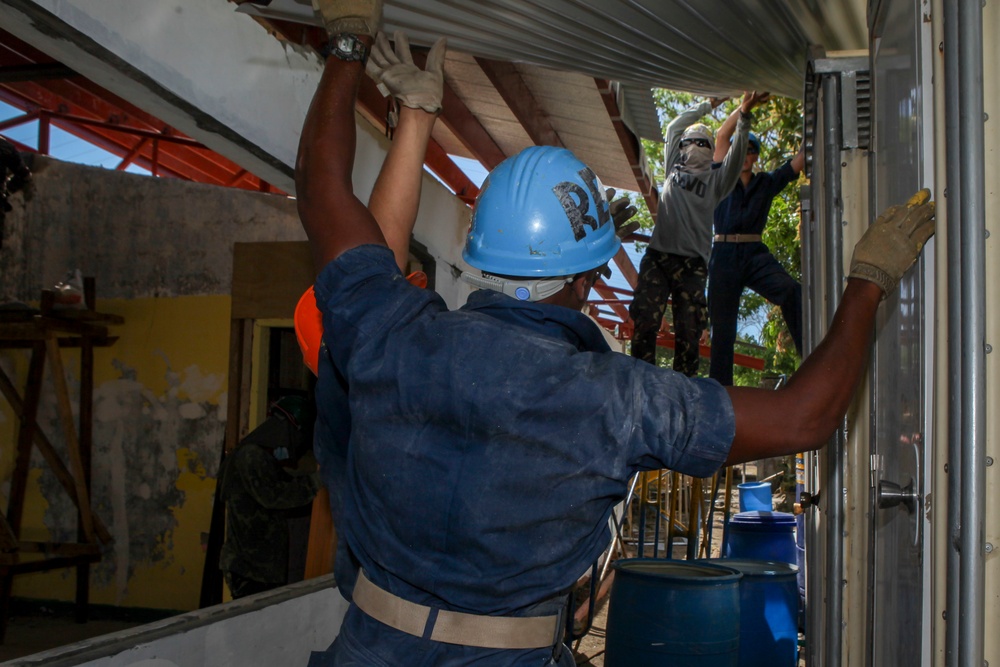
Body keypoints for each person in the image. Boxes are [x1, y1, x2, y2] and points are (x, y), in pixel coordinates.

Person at [298, 2, 935, 664]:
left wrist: (348, 45)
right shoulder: (613, 398)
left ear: (482, 251)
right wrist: (867, 280)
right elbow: (807, 416)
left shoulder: (390, 332)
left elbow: (323, 193)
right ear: (585, 278)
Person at [628, 91, 768, 376]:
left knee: (689, 334)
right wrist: (709, 104)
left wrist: (744, 114)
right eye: (690, 142)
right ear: (683, 147)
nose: (695, 147)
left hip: (692, 265)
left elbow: (737, 151)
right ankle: (639, 381)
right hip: (659, 257)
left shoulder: (717, 179)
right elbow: (673, 127)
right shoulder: (672, 168)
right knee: (644, 319)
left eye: (701, 143)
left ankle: (683, 393)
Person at [708, 108, 806, 385]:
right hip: (724, 255)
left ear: (755, 156)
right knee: (723, 327)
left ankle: (809, 357)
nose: (746, 155)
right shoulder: (721, 176)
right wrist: (745, 108)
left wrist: (812, 129)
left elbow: (797, 162)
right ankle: (722, 391)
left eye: (751, 150)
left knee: (791, 291)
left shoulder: (766, 182)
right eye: (742, 149)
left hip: (754, 253)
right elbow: (721, 136)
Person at [219, 395, 321, 599]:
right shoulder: (251, 456)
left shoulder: (261, 457)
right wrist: (317, 482)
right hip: (250, 568)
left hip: (261, 568)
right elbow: (274, 497)